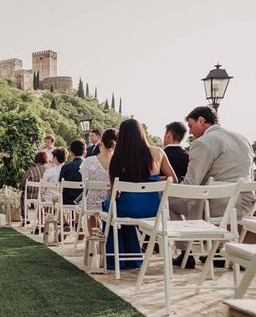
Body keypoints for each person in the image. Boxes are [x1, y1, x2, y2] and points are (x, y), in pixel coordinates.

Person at [170, 106, 254, 268]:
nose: (190, 132)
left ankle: (185, 254)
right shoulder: (242, 138)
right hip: (244, 204)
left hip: (216, 206)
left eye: (191, 126)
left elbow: (190, 184)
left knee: (169, 202)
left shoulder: (202, 143)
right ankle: (217, 252)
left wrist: (165, 191)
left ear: (201, 121)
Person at [105, 118, 177, 270]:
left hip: (127, 209)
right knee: (117, 207)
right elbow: (173, 180)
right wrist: (156, 178)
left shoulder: (117, 158)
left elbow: (113, 193)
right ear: (142, 133)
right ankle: (134, 259)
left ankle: (119, 260)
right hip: (154, 209)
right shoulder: (158, 152)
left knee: (109, 206)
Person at [80, 128, 116, 229]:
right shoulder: (120, 162)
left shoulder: (89, 161)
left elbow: (84, 184)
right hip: (113, 204)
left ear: (101, 144)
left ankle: (93, 238)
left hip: (92, 204)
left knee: (92, 211)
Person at [19, 151, 48, 220]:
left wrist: (22, 188)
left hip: (31, 195)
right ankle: (44, 218)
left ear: (36, 160)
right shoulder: (49, 170)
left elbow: (23, 184)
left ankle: (25, 218)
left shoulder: (31, 171)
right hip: (46, 195)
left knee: (23, 195)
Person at [59, 139, 85, 205]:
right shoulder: (88, 165)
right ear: (84, 151)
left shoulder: (66, 167)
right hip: (83, 199)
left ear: (71, 152)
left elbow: (60, 184)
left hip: (67, 200)